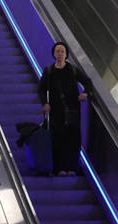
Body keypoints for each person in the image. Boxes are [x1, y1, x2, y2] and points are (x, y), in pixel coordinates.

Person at [38, 41, 92, 177]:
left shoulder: (72, 70)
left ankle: (71, 168)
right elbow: (41, 90)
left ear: (66, 54)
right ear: (53, 54)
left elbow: (87, 82)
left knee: (73, 140)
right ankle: (59, 169)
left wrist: (86, 93)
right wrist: (45, 103)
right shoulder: (49, 71)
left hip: (73, 110)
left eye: (62, 51)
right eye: (57, 51)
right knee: (57, 140)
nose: (60, 54)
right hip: (56, 112)